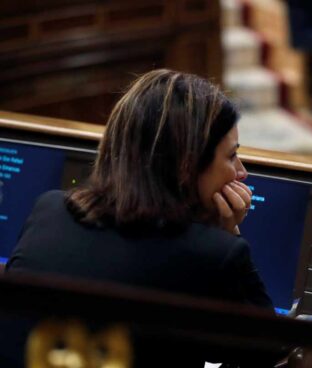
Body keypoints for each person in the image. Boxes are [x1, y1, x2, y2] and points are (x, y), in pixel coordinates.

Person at [5, 69, 274, 367]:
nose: (241, 172)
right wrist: (229, 232)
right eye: (231, 156)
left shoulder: (49, 210)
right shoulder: (211, 254)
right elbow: (268, 351)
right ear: (188, 165)